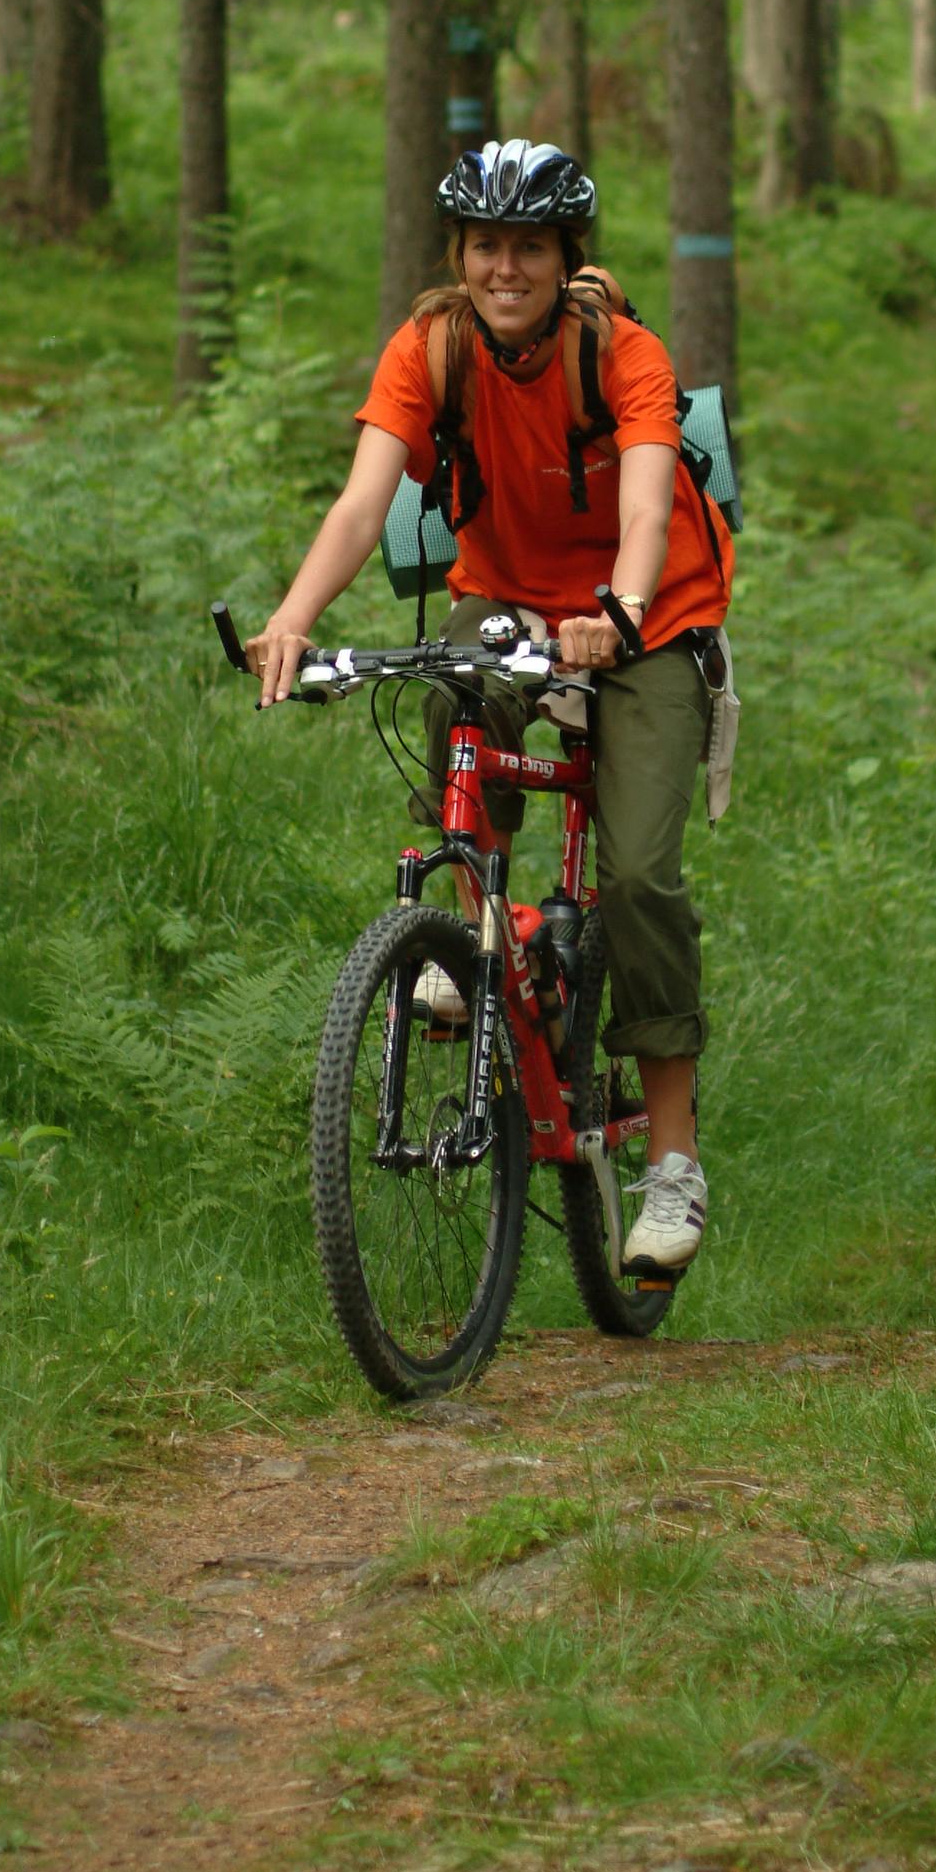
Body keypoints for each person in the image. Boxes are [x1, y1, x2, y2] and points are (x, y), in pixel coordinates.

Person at [248, 138, 734, 1278]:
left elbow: (650, 510)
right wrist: (294, 618)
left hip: (647, 618)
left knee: (638, 876)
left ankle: (671, 1162)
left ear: (567, 257)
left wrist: (612, 611)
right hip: (508, 599)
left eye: (526, 246)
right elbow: (365, 499)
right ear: (458, 254)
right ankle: (480, 931)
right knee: (449, 678)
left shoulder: (623, 356)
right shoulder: (431, 350)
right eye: (483, 245)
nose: (502, 266)